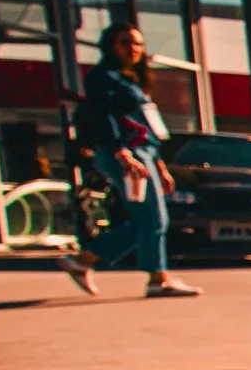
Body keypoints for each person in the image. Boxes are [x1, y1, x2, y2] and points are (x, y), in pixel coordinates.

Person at [58, 24, 198, 297]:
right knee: (154, 218)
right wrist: (121, 152)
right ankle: (158, 280)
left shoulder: (130, 79)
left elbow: (145, 127)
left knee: (144, 221)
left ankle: (83, 261)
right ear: (111, 45)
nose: (133, 49)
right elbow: (105, 117)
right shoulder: (103, 77)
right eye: (126, 42)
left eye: (137, 44)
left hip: (143, 154)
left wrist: (159, 166)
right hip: (125, 155)